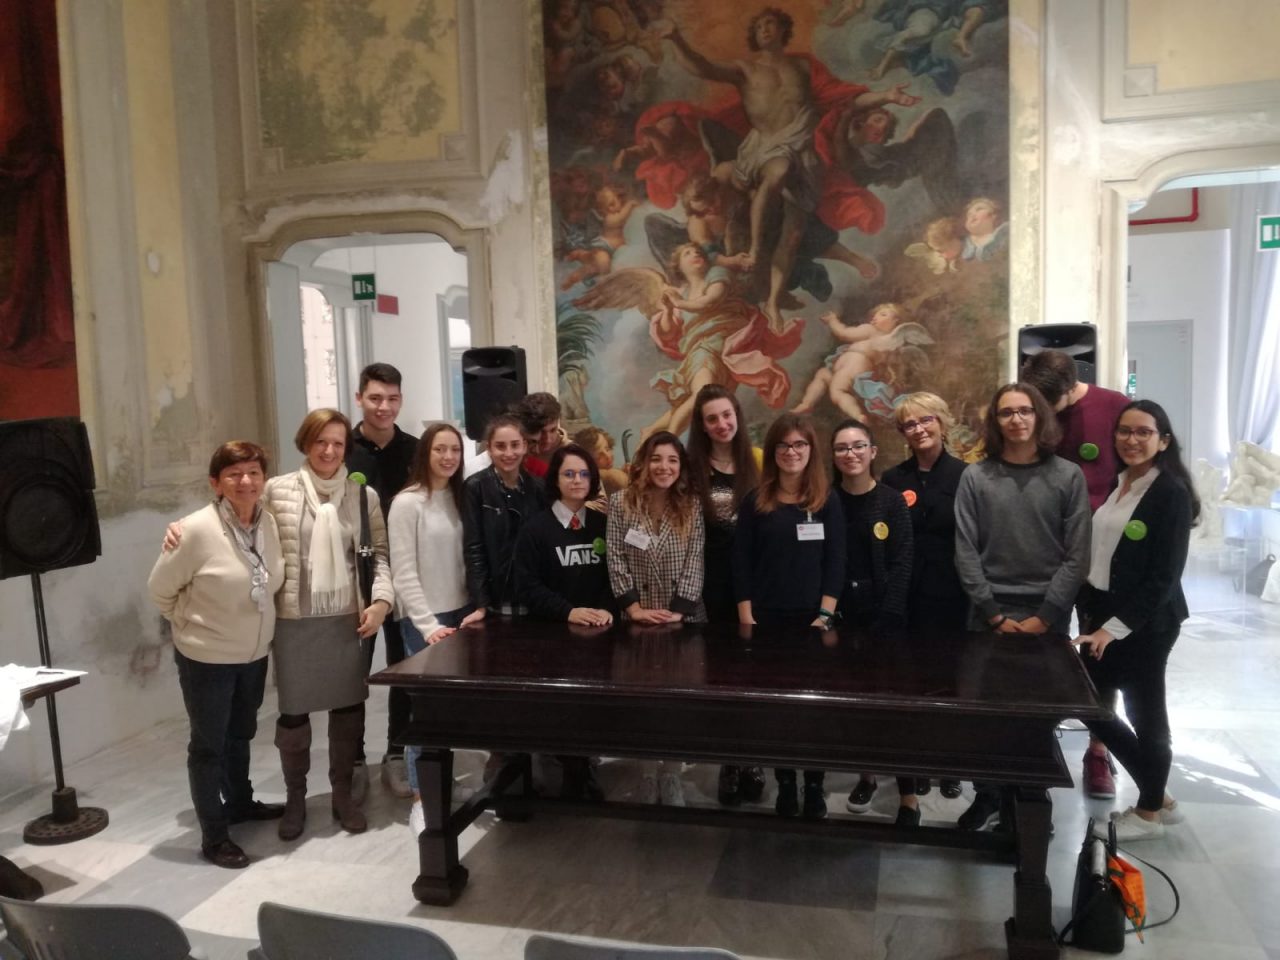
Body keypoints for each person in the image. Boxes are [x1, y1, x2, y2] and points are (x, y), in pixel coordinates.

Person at [953, 383, 1090, 830]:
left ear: (1039, 418)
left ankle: (1029, 804)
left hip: (1045, 612)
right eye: (1006, 413)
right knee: (983, 715)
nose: (1016, 420)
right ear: (995, 422)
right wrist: (992, 611)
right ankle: (987, 796)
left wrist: (1045, 616)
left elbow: (1076, 556)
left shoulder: (1067, 476)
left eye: (1025, 411)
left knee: (1036, 717)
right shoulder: (976, 477)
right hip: (986, 612)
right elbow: (966, 550)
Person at [148, 441, 285, 868]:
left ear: (263, 478)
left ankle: (240, 802)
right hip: (206, 658)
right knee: (208, 745)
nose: (245, 482)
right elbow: (159, 591)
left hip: (253, 652)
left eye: (253, 473)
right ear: (216, 482)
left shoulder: (269, 523)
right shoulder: (194, 530)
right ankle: (214, 835)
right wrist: (192, 625)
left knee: (240, 732)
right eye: (234, 474)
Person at [1075, 400, 1197, 841]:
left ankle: (1148, 813)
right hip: (1105, 614)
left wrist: (1115, 627)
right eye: (1125, 431)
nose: (1132, 439)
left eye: (1143, 432)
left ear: (1163, 440)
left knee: (1145, 715)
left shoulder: (1170, 493)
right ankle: (1159, 794)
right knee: (1088, 704)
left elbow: (1165, 576)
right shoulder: (1121, 482)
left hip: (1147, 624)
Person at [1020, 348, 1131, 799]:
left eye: (1054, 405)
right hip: (1049, 551)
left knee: (1099, 655)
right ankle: (1036, 744)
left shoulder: (1115, 407)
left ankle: (1099, 751)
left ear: (1072, 386)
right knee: (1044, 650)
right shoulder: (1034, 410)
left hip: (1105, 553)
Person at [732, 413, 845, 819]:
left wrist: (824, 616)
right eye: (784, 445)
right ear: (774, 452)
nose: (791, 452)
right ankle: (785, 783)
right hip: (765, 622)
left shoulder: (826, 500)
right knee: (776, 711)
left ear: (811, 450)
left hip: (812, 622)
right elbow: (740, 563)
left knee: (813, 711)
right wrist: (747, 616)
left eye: (799, 445)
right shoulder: (755, 501)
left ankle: (813, 785)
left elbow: (836, 562)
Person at [388, 422, 483, 835]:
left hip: (461, 614)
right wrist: (426, 625)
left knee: (451, 711)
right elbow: (403, 572)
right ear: (425, 452)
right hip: (423, 620)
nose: (448, 457)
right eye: (440, 449)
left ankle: (441, 781)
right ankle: (422, 797)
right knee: (424, 711)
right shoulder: (408, 503)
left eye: (455, 451)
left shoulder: (461, 498)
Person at [606, 430, 707, 806]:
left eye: (672, 460)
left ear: (680, 467)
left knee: (679, 701)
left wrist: (679, 611)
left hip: (683, 619)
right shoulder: (620, 504)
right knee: (643, 701)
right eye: (657, 459)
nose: (664, 467)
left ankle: (671, 773)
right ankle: (647, 771)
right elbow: (615, 557)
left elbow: (696, 559)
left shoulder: (692, 505)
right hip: (638, 618)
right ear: (644, 463)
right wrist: (633, 607)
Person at [513, 443, 616, 801]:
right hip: (554, 639)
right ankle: (567, 773)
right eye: (569, 473)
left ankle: (584, 769)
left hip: (599, 638)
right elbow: (526, 585)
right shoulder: (535, 529)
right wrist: (567, 612)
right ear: (555, 479)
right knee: (561, 714)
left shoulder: (604, 524)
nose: (577, 480)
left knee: (593, 712)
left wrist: (605, 609)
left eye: (584, 473)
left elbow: (614, 574)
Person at [830, 419, 919, 825]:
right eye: (842, 448)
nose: (850, 454)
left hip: (885, 616)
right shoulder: (827, 500)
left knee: (895, 707)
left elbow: (903, 562)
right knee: (855, 706)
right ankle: (865, 776)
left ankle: (908, 794)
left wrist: (890, 613)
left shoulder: (891, 501)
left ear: (872, 452)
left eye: (858, 446)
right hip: (841, 617)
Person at [881, 392, 968, 801]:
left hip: (952, 593)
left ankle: (949, 762)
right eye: (908, 424)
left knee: (948, 681)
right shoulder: (894, 479)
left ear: (942, 421)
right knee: (905, 683)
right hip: (904, 594)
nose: (918, 429)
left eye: (925, 420)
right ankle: (909, 770)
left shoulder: (968, 476)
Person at [686, 384, 766, 807]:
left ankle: (753, 758)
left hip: (755, 584)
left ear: (737, 415)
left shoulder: (757, 462)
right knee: (720, 677)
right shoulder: (690, 467)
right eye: (712, 418)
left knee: (754, 675)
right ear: (702, 426)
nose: (722, 424)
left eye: (727, 415)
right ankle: (728, 761)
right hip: (711, 585)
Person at [344, 362, 418, 800]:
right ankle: (352, 759)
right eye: (375, 398)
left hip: (405, 575)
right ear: (359, 399)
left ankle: (397, 753)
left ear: (400, 400)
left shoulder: (414, 450)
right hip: (354, 579)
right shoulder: (341, 449)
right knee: (352, 672)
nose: (383, 407)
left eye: (392, 399)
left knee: (404, 670)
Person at [463, 413, 547, 620]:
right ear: (489, 449)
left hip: (535, 593)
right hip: (496, 596)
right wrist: (481, 603)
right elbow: (474, 548)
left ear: (525, 446)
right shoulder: (475, 487)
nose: (508, 453)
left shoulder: (539, 487)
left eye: (515, 445)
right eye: (500, 446)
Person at [514, 392, 564, 478]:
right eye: (542, 432)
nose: (548, 439)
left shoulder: (571, 452)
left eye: (553, 430)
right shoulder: (513, 447)